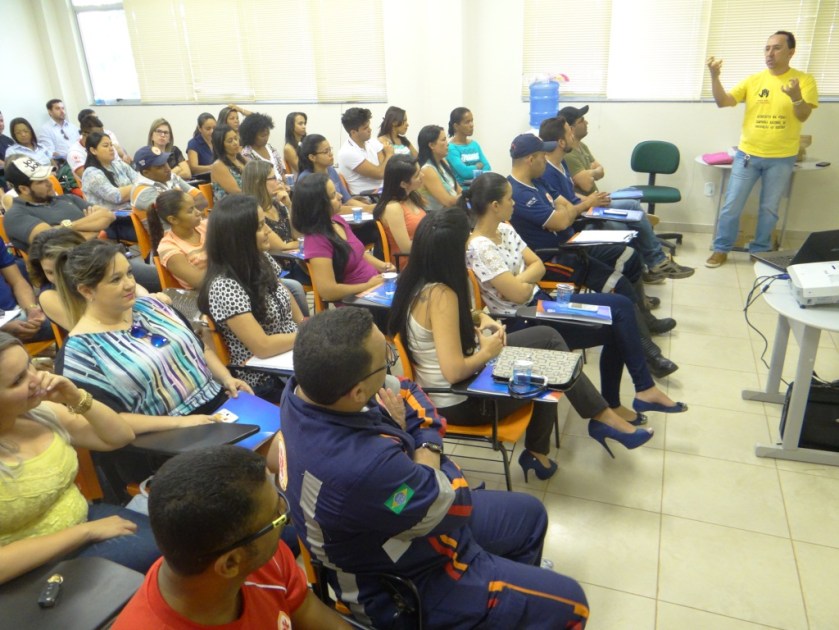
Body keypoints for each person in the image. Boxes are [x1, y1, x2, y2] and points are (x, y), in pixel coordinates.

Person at [282, 307, 591, 628]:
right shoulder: (362, 465)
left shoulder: (303, 390)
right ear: (357, 393)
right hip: (402, 582)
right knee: (572, 604)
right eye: (386, 359)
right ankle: (492, 599)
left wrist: (418, 448)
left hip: (399, 524)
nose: (391, 364)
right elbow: (453, 503)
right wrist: (419, 446)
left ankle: (502, 605)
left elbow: (409, 390)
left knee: (530, 515)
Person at [389, 209, 653, 471]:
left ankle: (581, 428)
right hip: (462, 401)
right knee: (548, 367)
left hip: (464, 379)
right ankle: (576, 431)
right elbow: (454, 371)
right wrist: (487, 352)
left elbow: (439, 324)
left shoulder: (417, 281)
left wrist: (480, 317)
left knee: (548, 338)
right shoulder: (441, 295)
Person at [465, 173, 686, 418]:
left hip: (541, 303)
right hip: (525, 318)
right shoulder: (479, 247)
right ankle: (635, 394)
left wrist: (522, 280)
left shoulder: (505, 229)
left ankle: (640, 391)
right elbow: (518, 294)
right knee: (617, 323)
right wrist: (526, 281)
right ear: (495, 206)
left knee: (621, 307)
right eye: (509, 199)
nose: (514, 203)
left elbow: (538, 264)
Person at [113, 446, 349, 629]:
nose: (283, 518)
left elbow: (315, 616)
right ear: (231, 563)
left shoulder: (262, 557)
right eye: (276, 517)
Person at [0, 333, 160, 585]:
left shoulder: (40, 413)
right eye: (18, 380)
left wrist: (76, 397)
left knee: (180, 539)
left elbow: (118, 437)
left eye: (30, 363)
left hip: (85, 522)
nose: (36, 378)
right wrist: (84, 532)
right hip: (27, 570)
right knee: (171, 557)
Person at [507, 133, 676, 345]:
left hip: (573, 244)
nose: (546, 158)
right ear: (530, 159)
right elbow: (560, 221)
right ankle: (645, 344)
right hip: (555, 259)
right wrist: (564, 213)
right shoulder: (518, 193)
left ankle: (644, 323)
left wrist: (565, 213)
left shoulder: (538, 181)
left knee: (630, 256)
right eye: (543, 154)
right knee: (620, 284)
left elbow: (566, 208)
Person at [706, 30, 819, 267]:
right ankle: (720, 248)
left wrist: (797, 97)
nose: (770, 53)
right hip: (747, 154)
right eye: (767, 48)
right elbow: (722, 102)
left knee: (769, 209)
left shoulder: (803, 80)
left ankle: (760, 251)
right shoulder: (754, 80)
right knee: (731, 205)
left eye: (777, 48)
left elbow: (803, 114)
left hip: (782, 158)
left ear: (791, 52)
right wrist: (714, 77)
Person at [540, 115, 694, 283]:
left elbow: (569, 195)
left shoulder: (560, 164)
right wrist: (588, 203)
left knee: (631, 204)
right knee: (623, 224)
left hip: (586, 207)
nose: (573, 136)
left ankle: (653, 265)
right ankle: (653, 265)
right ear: (561, 143)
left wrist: (590, 199)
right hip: (579, 220)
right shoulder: (547, 171)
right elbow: (564, 209)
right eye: (569, 133)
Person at [199, 194, 303, 399]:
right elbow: (262, 347)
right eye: (259, 226)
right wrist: (308, 335)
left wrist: (304, 323)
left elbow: (283, 292)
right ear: (239, 236)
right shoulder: (224, 285)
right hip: (266, 378)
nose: (268, 231)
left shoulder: (260, 258)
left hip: (291, 355)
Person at [291, 173, 392, 304]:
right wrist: (368, 286)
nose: (340, 197)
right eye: (333, 195)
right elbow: (328, 291)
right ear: (318, 204)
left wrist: (383, 266)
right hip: (355, 302)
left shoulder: (337, 220)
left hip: (374, 290)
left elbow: (358, 253)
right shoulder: (316, 240)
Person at [3, 157, 115, 250]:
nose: (50, 183)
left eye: (47, 178)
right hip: (71, 270)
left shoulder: (67, 198)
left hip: (102, 254)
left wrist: (65, 226)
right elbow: (53, 240)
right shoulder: (16, 215)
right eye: (41, 181)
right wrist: (94, 228)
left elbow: (108, 215)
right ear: (24, 189)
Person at [148, 190, 207, 290]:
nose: (198, 212)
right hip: (201, 294)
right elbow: (199, 281)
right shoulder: (168, 247)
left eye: (195, 207)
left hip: (225, 283)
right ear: (173, 220)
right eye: (190, 210)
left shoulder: (206, 226)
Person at [296, 134, 369, 214]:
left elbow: (348, 200)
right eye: (326, 151)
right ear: (312, 157)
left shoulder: (331, 170)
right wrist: (369, 209)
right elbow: (330, 210)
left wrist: (370, 208)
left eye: (330, 150)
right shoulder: (306, 179)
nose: (331, 154)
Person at [372, 154, 426, 262]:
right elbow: (406, 248)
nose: (422, 175)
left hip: (423, 255)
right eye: (417, 175)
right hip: (409, 263)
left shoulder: (412, 197)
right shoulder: (393, 208)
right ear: (403, 184)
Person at [0, 235, 51, 342]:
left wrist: (31, 309)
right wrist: (3, 328)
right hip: (4, 325)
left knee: (61, 318)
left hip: (12, 314)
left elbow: (18, 282)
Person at [129, 146, 208, 213]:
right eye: (160, 167)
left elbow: (201, 199)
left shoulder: (171, 176)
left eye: (166, 163)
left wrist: (185, 207)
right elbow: (174, 216)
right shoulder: (142, 192)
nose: (168, 169)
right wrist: (186, 203)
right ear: (146, 173)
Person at [337, 107, 393, 195]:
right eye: (365, 128)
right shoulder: (347, 152)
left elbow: (387, 168)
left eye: (369, 126)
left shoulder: (371, 141)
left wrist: (385, 162)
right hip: (366, 197)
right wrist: (389, 154)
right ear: (353, 132)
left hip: (382, 191)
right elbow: (381, 173)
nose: (370, 129)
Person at [80, 131, 138, 212]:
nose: (111, 149)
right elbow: (116, 196)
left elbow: (138, 179)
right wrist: (138, 186)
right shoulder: (91, 174)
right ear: (93, 150)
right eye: (106, 146)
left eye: (111, 145)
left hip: (132, 210)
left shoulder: (119, 164)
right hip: (113, 218)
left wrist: (135, 186)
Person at [417, 125, 461, 211]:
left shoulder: (443, 162)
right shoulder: (427, 170)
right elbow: (448, 202)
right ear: (431, 145)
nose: (447, 143)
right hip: (435, 218)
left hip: (451, 213)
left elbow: (458, 190)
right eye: (443, 140)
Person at [446, 106, 491, 187]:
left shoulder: (475, 144)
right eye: (467, 122)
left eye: (472, 121)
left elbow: (487, 167)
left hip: (481, 188)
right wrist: (478, 166)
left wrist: (472, 169)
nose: (471, 125)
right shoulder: (451, 148)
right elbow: (465, 172)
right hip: (464, 191)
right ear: (456, 126)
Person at [239, 112, 285, 181]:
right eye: (262, 136)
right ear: (251, 135)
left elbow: (282, 172)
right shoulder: (246, 154)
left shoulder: (271, 148)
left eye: (267, 134)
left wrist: (285, 185)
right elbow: (256, 180)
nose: (266, 138)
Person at [210, 124, 246, 203]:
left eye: (236, 138)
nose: (235, 143)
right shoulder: (218, 165)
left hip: (247, 202)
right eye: (230, 141)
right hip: (230, 208)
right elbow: (237, 192)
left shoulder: (243, 160)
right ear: (221, 145)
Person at [66, 114, 105, 183]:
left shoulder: (102, 144)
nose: (101, 137)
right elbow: (88, 178)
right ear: (85, 134)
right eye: (97, 135)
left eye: (102, 133)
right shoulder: (74, 153)